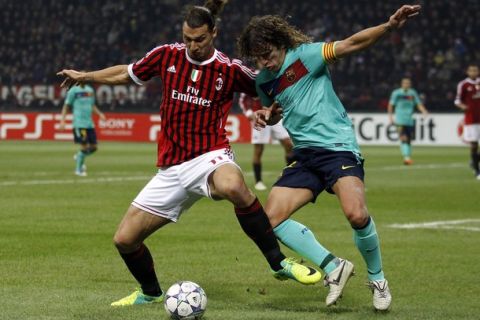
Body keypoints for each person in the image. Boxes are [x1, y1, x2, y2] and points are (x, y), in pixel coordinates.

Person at [57, 0, 321, 307]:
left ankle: (278, 263)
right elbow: (127, 74)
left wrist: (270, 113)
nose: (192, 46)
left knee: (234, 186)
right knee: (125, 240)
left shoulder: (229, 69)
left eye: (199, 39)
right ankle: (150, 292)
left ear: (214, 34)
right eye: (187, 39)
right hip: (171, 168)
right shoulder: (166, 55)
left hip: (211, 156)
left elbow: (272, 93)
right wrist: (85, 76)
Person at [238, 4, 422, 311]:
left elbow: (351, 43)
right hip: (305, 156)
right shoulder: (263, 80)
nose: (264, 61)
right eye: (257, 57)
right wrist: (265, 116)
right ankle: (334, 265)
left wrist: (389, 26)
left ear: (281, 44)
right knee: (269, 220)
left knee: (357, 215)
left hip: (337, 147)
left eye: (267, 53)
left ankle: (377, 279)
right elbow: (276, 112)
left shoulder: (308, 56)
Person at [239, 91, 293, 191]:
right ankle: (258, 181)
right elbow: (243, 98)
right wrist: (249, 113)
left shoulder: (274, 75)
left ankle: (289, 176)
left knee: (288, 144)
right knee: (258, 150)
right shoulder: (255, 76)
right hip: (260, 116)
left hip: (275, 115)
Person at [59, 83, 106, 176]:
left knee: (94, 147)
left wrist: (100, 114)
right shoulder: (73, 91)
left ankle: (79, 156)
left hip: (89, 124)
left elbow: (92, 105)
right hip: (79, 124)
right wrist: (62, 121)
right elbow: (66, 106)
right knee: (84, 146)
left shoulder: (90, 90)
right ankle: (78, 170)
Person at [387, 77, 429, 165]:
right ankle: (406, 157)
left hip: (409, 120)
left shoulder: (412, 93)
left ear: (410, 84)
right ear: (401, 84)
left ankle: (408, 156)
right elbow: (391, 105)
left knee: (409, 140)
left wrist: (424, 111)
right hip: (400, 120)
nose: (406, 84)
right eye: (405, 83)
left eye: (408, 83)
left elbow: (418, 103)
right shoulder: (397, 93)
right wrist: (390, 117)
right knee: (404, 138)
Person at [455, 64, 480, 180]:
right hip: (471, 119)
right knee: (474, 145)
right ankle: (476, 170)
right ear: (467, 72)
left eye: (475, 70)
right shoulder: (463, 84)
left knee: (475, 148)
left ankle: (474, 160)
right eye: (471, 71)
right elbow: (457, 100)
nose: (473, 72)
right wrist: (463, 106)